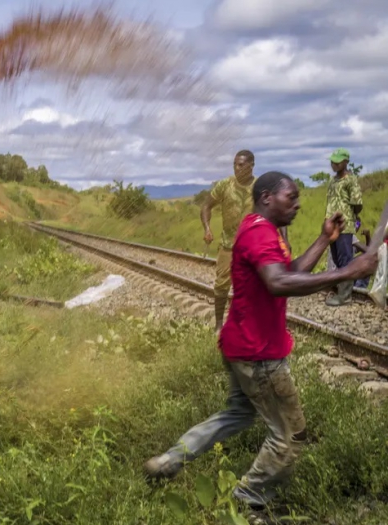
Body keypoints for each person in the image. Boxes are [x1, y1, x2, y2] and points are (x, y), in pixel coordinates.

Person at [144, 172, 377, 523]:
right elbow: (279, 282)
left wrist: (324, 239)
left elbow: (290, 270)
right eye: (291, 197)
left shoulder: (263, 230)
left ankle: (169, 461)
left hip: (241, 344)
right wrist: (348, 272)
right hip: (259, 355)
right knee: (290, 433)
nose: (297, 204)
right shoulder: (257, 233)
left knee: (236, 414)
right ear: (267, 197)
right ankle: (249, 500)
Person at [201, 150, 255, 332]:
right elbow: (207, 205)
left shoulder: (260, 187)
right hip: (228, 245)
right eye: (235, 165)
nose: (237, 168)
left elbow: (275, 211)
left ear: (251, 165)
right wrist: (207, 228)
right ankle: (218, 325)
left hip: (251, 246)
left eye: (241, 165)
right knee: (222, 285)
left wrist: (282, 239)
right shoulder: (225, 185)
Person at [324, 148, 364, 306]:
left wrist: (351, 217)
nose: (334, 164)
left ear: (346, 161)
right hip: (331, 226)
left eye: (338, 161)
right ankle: (341, 290)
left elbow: (357, 203)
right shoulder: (332, 181)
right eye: (332, 161)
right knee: (336, 258)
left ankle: (345, 296)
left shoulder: (350, 180)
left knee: (345, 259)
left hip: (344, 226)